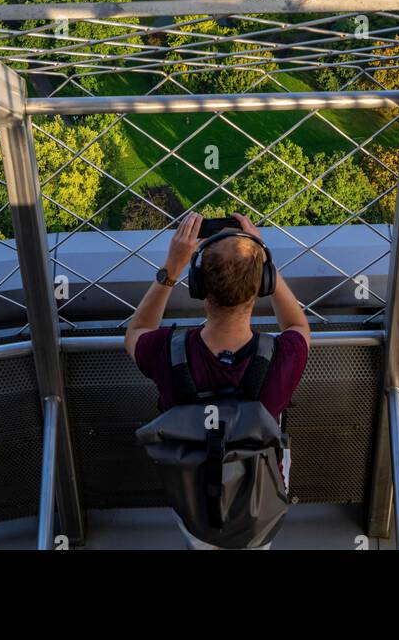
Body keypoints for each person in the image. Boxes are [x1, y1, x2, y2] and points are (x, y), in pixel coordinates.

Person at [125, 211, 311, 549]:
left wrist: (171, 268)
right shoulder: (283, 357)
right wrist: (262, 255)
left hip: (194, 502)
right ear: (263, 283)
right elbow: (298, 326)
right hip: (258, 508)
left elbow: (136, 331)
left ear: (198, 288)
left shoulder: (167, 351)